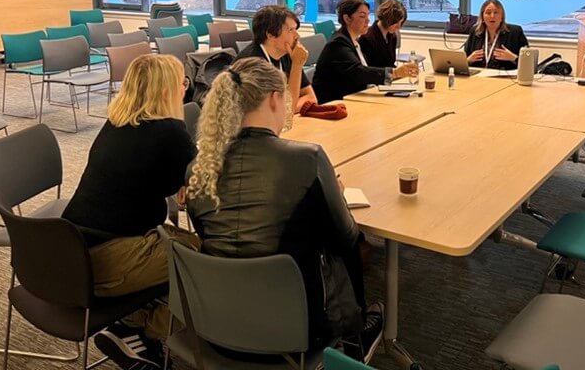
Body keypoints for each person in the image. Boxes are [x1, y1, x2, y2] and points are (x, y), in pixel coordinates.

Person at [187, 58, 384, 363]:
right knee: (344, 250)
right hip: (296, 332)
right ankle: (356, 336)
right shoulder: (306, 159)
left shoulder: (199, 169)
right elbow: (346, 238)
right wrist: (336, 195)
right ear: (275, 99)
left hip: (214, 324)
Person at [62, 54, 198, 370]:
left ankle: (132, 320)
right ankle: (139, 328)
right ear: (166, 90)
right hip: (106, 262)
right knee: (207, 259)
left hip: (71, 252)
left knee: (180, 242)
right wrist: (189, 178)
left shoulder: (117, 123)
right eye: (183, 82)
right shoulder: (169, 133)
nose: (185, 89)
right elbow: (201, 184)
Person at [312, 0, 418, 103]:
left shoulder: (352, 41)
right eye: (362, 16)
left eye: (368, 15)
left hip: (351, 97)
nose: (367, 20)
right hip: (333, 103)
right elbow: (359, 72)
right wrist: (394, 73)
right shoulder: (338, 43)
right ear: (347, 18)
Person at [236, 5, 317, 113]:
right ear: (270, 35)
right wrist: (297, 65)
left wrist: (286, 110)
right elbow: (281, 111)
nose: (297, 36)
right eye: (290, 30)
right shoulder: (252, 64)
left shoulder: (287, 54)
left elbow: (310, 97)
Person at [463, 0, 529, 70]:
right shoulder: (475, 31)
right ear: (482, 17)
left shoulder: (515, 32)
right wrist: (469, 60)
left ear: (502, 17)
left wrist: (513, 58)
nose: (492, 16)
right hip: (478, 77)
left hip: (505, 78)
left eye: (496, 12)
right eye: (488, 13)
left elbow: (529, 63)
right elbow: (462, 61)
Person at [358, 0, 407, 68]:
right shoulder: (367, 38)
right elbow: (368, 70)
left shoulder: (392, 36)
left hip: (388, 77)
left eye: (401, 23)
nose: (399, 27)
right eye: (396, 23)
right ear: (388, 20)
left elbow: (390, 64)